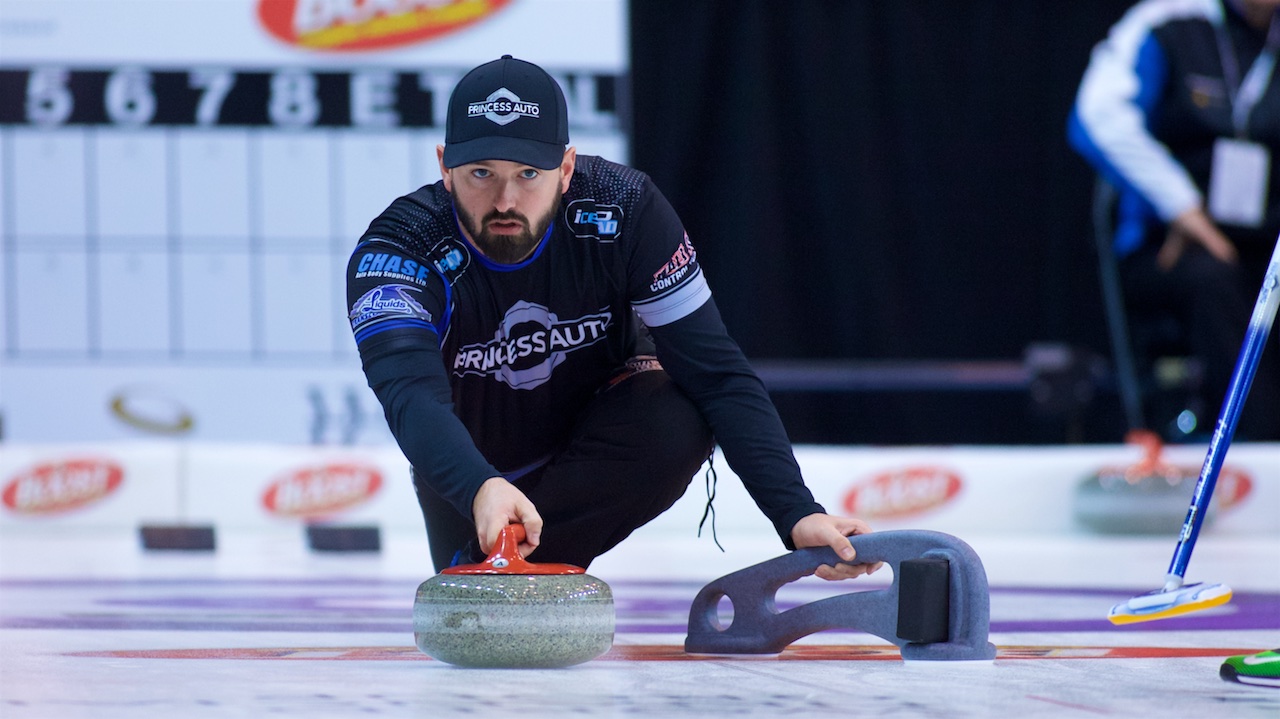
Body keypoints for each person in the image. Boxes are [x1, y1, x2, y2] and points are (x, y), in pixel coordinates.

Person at [345, 55, 879, 581]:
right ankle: (487, 563)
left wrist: (797, 513)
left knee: (677, 414)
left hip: (590, 445)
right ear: (445, 167)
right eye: (481, 173)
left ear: (566, 169)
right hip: (470, 473)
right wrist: (477, 487)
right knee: (471, 577)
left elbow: (716, 372)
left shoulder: (624, 207)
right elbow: (411, 396)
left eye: (529, 174)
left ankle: (499, 570)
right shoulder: (399, 248)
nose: (505, 200)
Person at [1068, 0, 1280, 441]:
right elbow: (1097, 115)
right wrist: (1180, 205)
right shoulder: (1167, 21)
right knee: (1212, 279)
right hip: (1172, 244)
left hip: (1268, 241)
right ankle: (1260, 448)